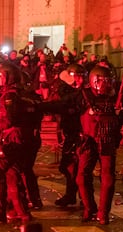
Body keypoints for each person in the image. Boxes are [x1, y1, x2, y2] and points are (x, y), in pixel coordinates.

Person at [0, 62, 35, 223]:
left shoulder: (9, 96)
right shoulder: (21, 94)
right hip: (22, 139)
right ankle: (21, 213)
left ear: (8, 78)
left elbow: (9, 121)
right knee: (12, 175)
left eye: (0, 76)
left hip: (12, 140)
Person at [76, 65, 123, 225]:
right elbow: (71, 113)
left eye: (107, 81)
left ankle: (103, 213)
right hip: (89, 140)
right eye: (101, 81)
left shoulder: (116, 97)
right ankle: (89, 208)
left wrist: (119, 112)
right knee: (82, 177)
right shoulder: (84, 95)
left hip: (107, 141)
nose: (104, 84)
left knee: (107, 178)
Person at [39, 63, 85, 207]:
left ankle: (84, 199)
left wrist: (40, 106)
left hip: (80, 135)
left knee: (78, 169)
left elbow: (62, 104)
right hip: (72, 132)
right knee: (69, 167)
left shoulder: (82, 94)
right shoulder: (72, 91)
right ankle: (73, 196)